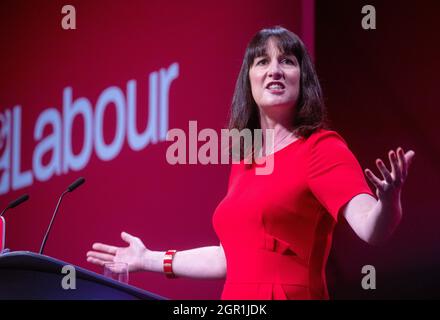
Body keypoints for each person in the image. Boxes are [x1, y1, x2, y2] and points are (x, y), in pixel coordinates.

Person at [87, 26, 415, 299]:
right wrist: (149, 259)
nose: (274, 70)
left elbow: (372, 227)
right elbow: (231, 256)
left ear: (302, 78)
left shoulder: (321, 148)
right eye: (262, 62)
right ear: (249, 80)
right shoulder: (245, 162)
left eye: (286, 61)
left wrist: (388, 202)